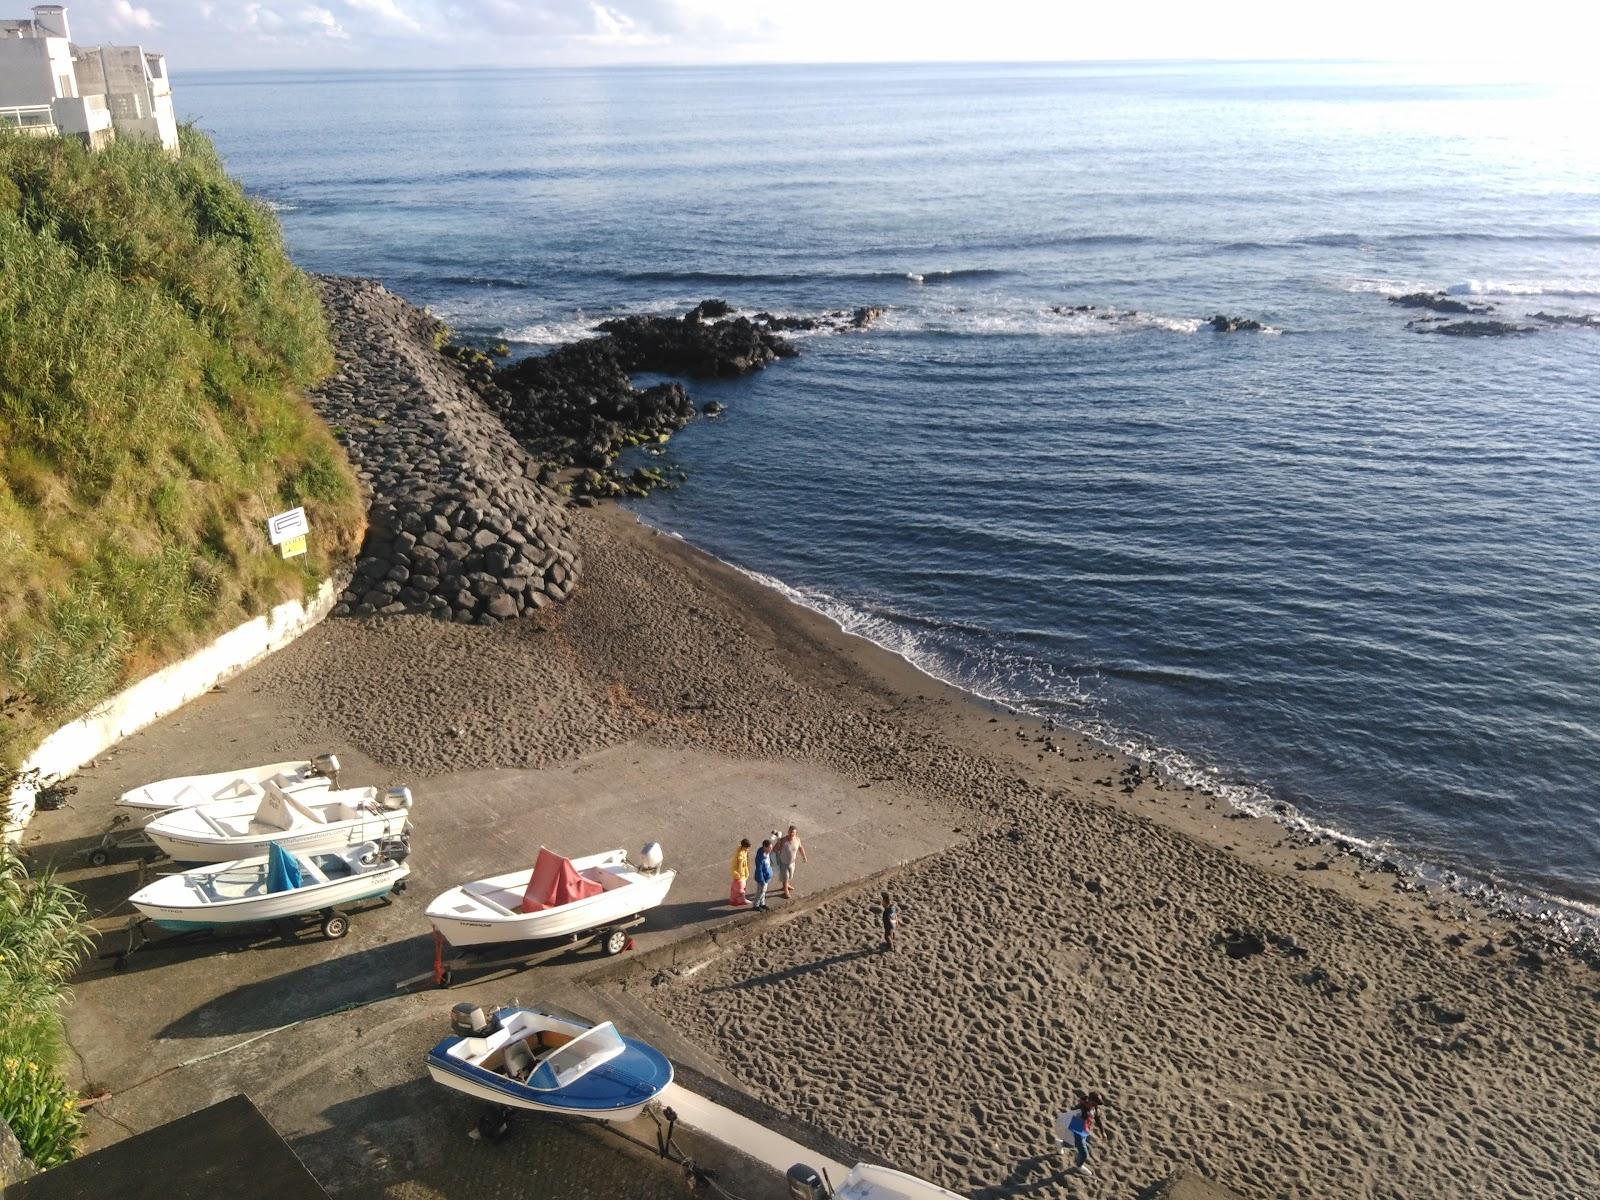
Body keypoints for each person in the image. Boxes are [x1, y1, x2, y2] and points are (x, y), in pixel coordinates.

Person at [1054, 1092, 1109, 1175]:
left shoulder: (1093, 1107)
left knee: (1073, 1143)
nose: (1095, 1105)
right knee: (1084, 1153)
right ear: (1090, 1100)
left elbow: (1097, 1118)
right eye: (1094, 1103)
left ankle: (1060, 1143)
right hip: (1078, 1129)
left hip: (1084, 1129)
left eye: (1097, 1104)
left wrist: (1102, 1132)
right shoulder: (1081, 1108)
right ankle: (1079, 1166)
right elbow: (1074, 1116)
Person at [775, 825, 809, 898]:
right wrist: (778, 843)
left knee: (790, 875)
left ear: (795, 833)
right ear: (788, 831)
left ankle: (786, 884)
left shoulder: (797, 840)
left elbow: (800, 848)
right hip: (783, 862)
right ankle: (785, 890)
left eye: (793, 832)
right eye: (790, 832)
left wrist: (804, 856)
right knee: (785, 877)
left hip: (792, 863)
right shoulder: (783, 840)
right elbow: (775, 849)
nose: (791, 833)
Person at [751, 837, 775, 911]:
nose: (771, 849)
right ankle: (756, 906)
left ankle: (762, 904)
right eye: (769, 848)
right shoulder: (760, 858)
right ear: (765, 847)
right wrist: (762, 880)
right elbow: (759, 870)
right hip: (762, 878)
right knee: (760, 892)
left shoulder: (766, 853)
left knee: (763, 892)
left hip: (766, 877)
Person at [728, 838, 751, 907]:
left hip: (736, 873)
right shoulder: (741, 855)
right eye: (747, 847)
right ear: (744, 846)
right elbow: (741, 866)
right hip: (740, 874)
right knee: (741, 888)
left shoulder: (741, 851)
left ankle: (733, 900)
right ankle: (742, 900)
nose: (748, 849)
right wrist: (742, 875)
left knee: (734, 888)